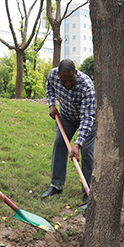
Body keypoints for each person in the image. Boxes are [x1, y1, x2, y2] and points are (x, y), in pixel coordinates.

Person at [39, 59, 96, 204]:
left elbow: (87, 117)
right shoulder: (53, 75)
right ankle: (56, 185)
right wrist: (52, 104)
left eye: (71, 80)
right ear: (58, 74)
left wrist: (77, 144)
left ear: (76, 73)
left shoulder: (86, 85)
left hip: (87, 120)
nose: (68, 84)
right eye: (64, 81)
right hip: (66, 116)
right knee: (59, 143)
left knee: (88, 151)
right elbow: (49, 87)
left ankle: (87, 189)